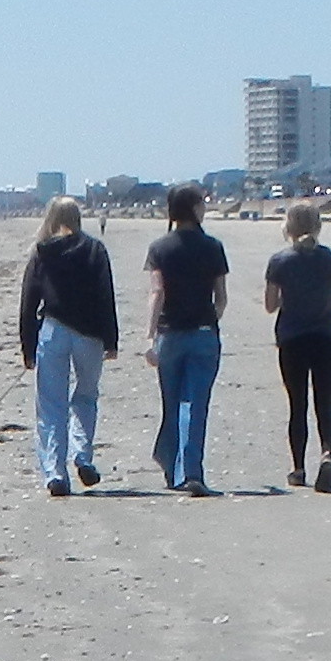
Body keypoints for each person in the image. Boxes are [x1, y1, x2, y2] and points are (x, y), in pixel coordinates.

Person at [15, 195, 118, 496]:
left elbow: (28, 301)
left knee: (50, 404)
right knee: (86, 396)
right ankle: (82, 455)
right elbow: (105, 296)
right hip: (89, 333)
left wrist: (28, 345)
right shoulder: (95, 249)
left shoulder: (43, 252)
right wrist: (111, 339)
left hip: (54, 329)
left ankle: (55, 473)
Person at [263, 200, 331, 491]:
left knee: (297, 404)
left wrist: (289, 298)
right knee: (325, 403)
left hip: (292, 338)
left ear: (288, 227)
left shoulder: (280, 261)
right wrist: (330, 314)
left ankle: (298, 468)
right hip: (326, 337)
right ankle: (326, 454)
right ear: (318, 225)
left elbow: (269, 305)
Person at [142, 185, 229, 496]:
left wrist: (150, 335)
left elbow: (157, 293)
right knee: (195, 404)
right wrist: (209, 322)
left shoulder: (160, 248)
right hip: (204, 334)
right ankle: (190, 470)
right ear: (193, 208)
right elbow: (221, 299)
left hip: (169, 334)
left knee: (173, 402)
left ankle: (172, 465)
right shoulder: (213, 247)